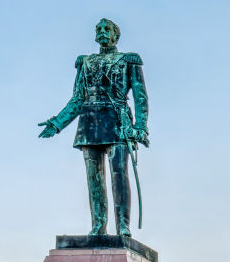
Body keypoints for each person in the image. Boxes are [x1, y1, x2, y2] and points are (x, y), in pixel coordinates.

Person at [39, 19, 149, 236]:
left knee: (119, 175)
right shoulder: (86, 62)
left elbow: (140, 96)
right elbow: (77, 99)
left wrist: (140, 127)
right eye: (98, 29)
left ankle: (123, 226)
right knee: (94, 179)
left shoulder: (128, 60)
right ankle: (98, 225)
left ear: (115, 35)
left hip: (117, 122)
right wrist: (57, 123)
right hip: (89, 122)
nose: (102, 32)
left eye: (107, 29)